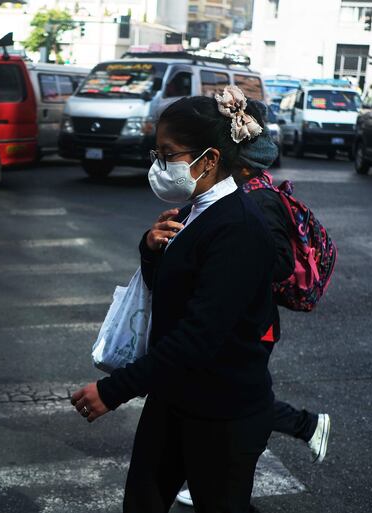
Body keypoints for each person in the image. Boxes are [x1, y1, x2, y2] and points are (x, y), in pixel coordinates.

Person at [72, 86, 277, 513]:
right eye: (157, 154)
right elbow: (168, 296)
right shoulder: (192, 211)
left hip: (222, 415)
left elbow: (199, 335)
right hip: (173, 400)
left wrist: (114, 390)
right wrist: (151, 249)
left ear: (210, 160)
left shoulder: (237, 228)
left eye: (169, 155)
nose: (160, 165)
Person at [174, 99, 331, 509]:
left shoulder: (258, 199)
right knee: (231, 400)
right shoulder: (236, 193)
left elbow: (278, 262)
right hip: (237, 320)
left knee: (242, 403)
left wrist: (233, 267)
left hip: (251, 323)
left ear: (240, 161)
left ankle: (293, 431)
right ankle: (219, 475)